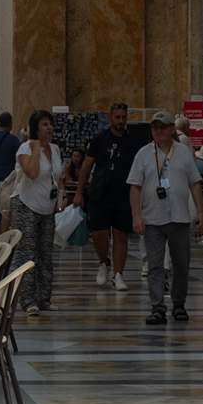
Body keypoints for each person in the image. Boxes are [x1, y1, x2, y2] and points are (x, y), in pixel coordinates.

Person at [128, 112, 203, 325]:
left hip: (179, 217)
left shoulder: (183, 153)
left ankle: (179, 304)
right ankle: (158, 307)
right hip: (153, 217)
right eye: (155, 128)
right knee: (155, 265)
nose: (159, 131)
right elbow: (134, 186)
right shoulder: (143, 154)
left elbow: (195, 183)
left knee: (181, 264)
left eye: (163, 127)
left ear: (173, 129)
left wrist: (200, 213)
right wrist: (136, 216)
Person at [74, 103, 143, 291]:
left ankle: (118, 275)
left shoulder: (134, 141)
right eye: (117, 117)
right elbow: (87, 166)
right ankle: (104, 262)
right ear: (110, 118)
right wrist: (79, 192)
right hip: (100, 194)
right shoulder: (99, 139)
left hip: (124, 195)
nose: (121, 121)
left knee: (121, 235)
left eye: (123, 117)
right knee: (99, 233)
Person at [9, 111, 64, 316]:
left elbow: (58, 176)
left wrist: (61, 195)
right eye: (44, 124)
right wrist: (34, 149)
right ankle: (28, 299)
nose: (49, 128)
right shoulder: (26, 148)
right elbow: (31, 173)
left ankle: (44, 298)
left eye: (50, 124)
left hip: (47, 207)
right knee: (27, 254)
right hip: (26, 206)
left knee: (45, 253)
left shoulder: (55, 149)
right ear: (35, 128)